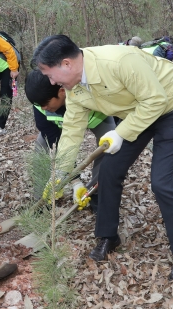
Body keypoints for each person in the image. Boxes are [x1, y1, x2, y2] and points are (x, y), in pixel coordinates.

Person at [33, 35, 173, 280]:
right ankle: (108, 236)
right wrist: (60, 174)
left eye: (50, 75)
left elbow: (156, 100)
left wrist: (120, 133)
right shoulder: (74, 87)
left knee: (162, 181)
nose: (52, 82)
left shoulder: (119, 61)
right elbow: (71, 131)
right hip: (136, 112)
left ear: (66, 64)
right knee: (109, 170)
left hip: (172, 104)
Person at [25, 69, 115, 209]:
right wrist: (74, 181)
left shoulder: (85, 90)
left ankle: (96, 194)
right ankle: (41, 200)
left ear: (61, 92)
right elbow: (56, 142)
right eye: (38, 104)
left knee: (109, 146)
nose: (43, 107)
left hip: (97, 118)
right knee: (41, 146)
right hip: (60, 127)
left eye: (45, 103)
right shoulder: (41, 102)